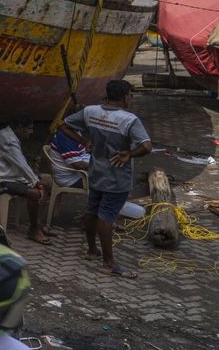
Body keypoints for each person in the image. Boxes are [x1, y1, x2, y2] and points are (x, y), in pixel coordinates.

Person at [61, 79, 152, 279]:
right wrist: (129, 153)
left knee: (92, 210)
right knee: (107, 217)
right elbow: (146, 146)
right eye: (131, 95)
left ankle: (92, 250)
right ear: (126, 97)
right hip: (117, 176)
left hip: (96, 171)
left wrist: (85, 141)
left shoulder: (90, 112)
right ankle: (109, 263)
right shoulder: (129, 119)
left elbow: (64, 125)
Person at [0, 114, 53, 244]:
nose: (31, 132)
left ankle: (38, 224)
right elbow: (21, 165)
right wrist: (36, 183)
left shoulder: (9, 135)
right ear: (20, 128)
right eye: (30, 129)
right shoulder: (8, 140)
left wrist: (37, 180)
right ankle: (34, 230)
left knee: (45, 186)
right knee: (36, 193)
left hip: (10, 175)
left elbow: (21, 165)